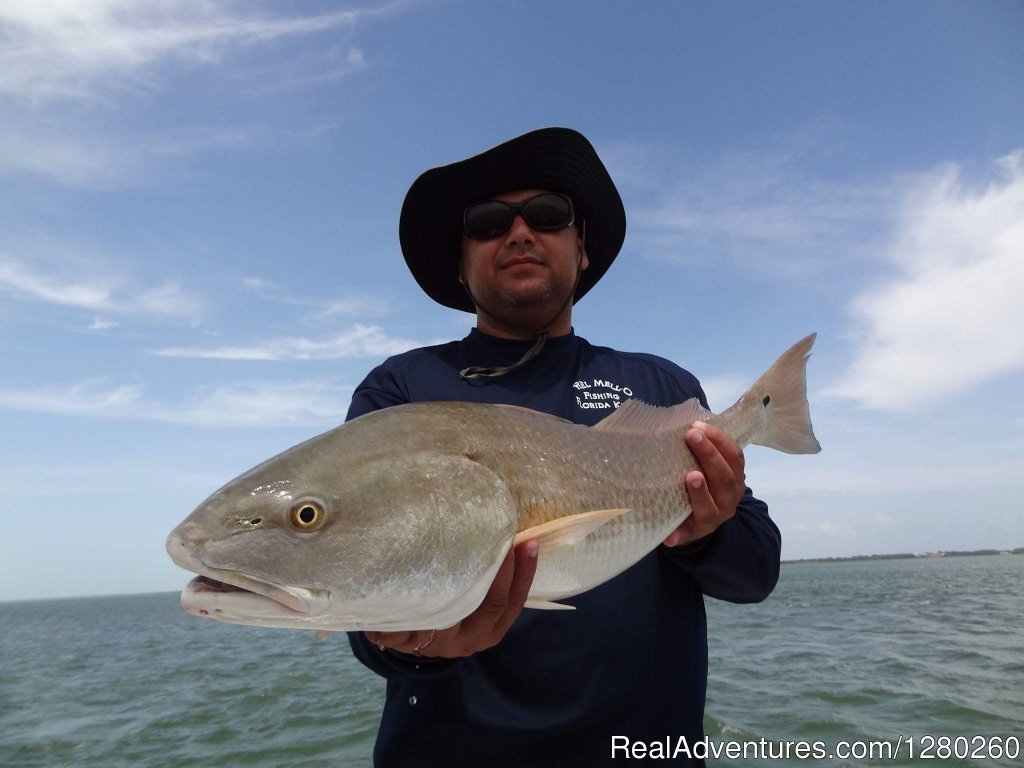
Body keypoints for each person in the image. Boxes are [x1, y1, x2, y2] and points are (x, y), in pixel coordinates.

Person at [345, 127, 780, 767]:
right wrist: (409, 643)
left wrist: (705, 530)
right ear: (460, 266)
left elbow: (754, 574)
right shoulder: (400, 390)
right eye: (488, 223)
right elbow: (364, 599)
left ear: (581, 250)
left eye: (547, 215)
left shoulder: (662, 386)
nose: (519, 233)